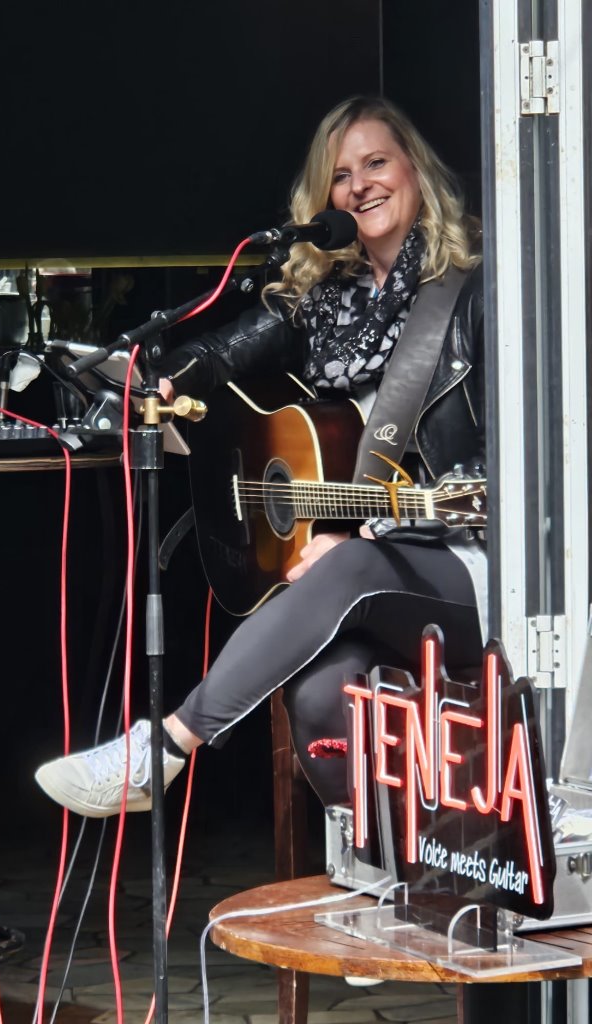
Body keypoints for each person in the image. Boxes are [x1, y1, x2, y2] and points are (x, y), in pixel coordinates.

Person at [35, 95, 486, 817]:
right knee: (321, 692)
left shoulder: (475, 293)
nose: (361, 186)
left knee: (349, 565)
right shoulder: (327, 301)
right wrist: (165, 379)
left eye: (376, 163)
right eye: (341, 176)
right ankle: (385, 864)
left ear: (415, 169)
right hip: (378, 567)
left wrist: (375, 534)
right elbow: (225, 351)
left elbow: (508, 470)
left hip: (476, 562)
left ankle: (163, 748)